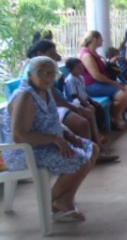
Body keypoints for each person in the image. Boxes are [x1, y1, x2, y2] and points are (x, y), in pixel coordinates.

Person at [2, 56, 99, 222]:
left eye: (51, 73)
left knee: (92, 149)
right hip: (25, 153)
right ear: (30, 74)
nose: (48, 77)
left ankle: (63, 200)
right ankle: (51, 201)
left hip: (43, 145)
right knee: (80, 159)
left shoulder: (44, 91)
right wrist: (55, 139)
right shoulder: (25, 96)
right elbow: (19, 136)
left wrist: (69, 135)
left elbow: (52, 122)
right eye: (42, 73)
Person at [64, 58, 119, 164]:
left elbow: (84, 93)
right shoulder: (70, 79)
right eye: (78, 67)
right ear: (71, 70)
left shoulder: (80, 77)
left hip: (83, 101)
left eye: (82, 66)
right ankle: (96, 144)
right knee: (90, 111)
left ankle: (97, 138)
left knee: (96, 109)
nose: (81, 69)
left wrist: (91, 101)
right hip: (74, 103)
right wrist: (86, 104)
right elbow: (74, 96)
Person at [80, 30, 127, 130]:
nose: (102, 40)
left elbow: (102, 69)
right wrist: (114, 83)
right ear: (94, 39)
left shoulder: (94, 52)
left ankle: (115, 116)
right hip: (92, 86)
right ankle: (115, 118)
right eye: (100, 38)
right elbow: (96, 75)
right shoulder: (87, 55)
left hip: (101, 83)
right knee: (125, 93)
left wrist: (110, 62)